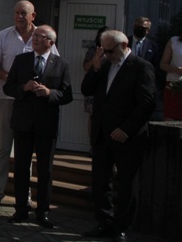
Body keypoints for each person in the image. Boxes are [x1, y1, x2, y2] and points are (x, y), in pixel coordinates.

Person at [81, 30, 156, 242]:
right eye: (102, 50)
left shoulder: (141, 67)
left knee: (126, 183)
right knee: (100, 182)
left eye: (110, 50)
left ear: (123, 45)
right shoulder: (104, 65)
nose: (106, 54)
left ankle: (121, 226)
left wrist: (126, 129)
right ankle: (104, 222)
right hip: (102, 135)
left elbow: (147, 103)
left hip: (127, 137)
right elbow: (86, 89)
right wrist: (95, 67)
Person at [0, 0, 58, 207]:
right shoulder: (4, 35)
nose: (19, 16)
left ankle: (23, 195)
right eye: (16, 12)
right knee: (2, 147)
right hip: (7, 98)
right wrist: (13, 81)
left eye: (23, 13)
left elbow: (54, 66)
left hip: (31, 103)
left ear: (32, 16)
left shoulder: (43, 35)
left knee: (23, 150)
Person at [3, 25, 73, 228]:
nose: (34, 39)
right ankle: (21, 209)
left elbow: (67, 95)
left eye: (40, 37)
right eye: (34, 36)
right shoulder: (21, 59)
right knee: (22, 167)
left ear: (50, 42)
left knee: (45, 170)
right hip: (23, 122)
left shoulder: (62, 64)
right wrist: (23, 88)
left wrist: (50, 93)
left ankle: (42, 212)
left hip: (46, 124)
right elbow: (8, 86)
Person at [82, 26, 110, 135]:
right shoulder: (93, 49)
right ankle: (92, 145)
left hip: (107, 86)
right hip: (93, 86)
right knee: (92, 117)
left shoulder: (112, 50)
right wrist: (96, 58)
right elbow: (85, 67)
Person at [159, 34, 182, 120]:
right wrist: (176, 70)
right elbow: (163, 64)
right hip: (174, 86)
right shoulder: (174, 41)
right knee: (171, 121)